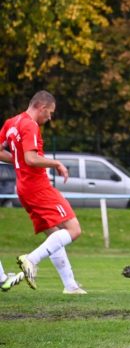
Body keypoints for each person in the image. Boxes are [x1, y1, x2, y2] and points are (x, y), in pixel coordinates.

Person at [0, 90, 86, 294]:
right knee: (74, 230)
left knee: (54, 234)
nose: (50, 117)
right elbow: (31, 159)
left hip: (23, 188)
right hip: (38, 187)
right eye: (50, 112)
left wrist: (17, 160)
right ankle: (30, 260)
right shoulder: (30, 125)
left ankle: (70, 285)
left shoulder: (12, 122)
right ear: (42, 107)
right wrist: (56, 162)